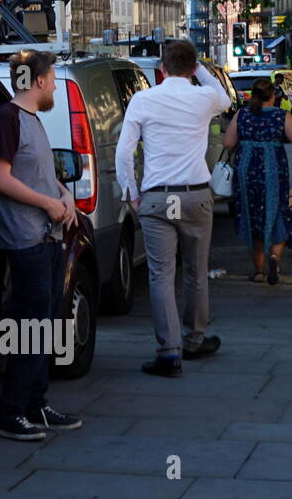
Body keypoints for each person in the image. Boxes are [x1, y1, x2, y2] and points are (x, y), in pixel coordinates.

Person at [116, 39, 230, 377]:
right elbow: (223, 97)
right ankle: (194, 339)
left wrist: (131, 192)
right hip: (194, 196)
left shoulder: (143, 99)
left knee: (161, 275)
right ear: (193, 68)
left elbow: (125, 152)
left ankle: (168, 352)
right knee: (196, 271)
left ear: (161, 69)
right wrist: (203, 71)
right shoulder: (204, 96)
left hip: (158, 198)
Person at [0, 49, 83, 441]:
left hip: (47, 238)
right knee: (31, 329)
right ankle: (10, 414)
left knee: (46, 326)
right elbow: (1, 179)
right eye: (54, 77)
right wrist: (48, 204)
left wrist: (64, 195)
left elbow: (41, 175)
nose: (55, 83)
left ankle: (35, 404)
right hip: (26, 241)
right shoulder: (6, 120)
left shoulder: (32, 121)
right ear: (38, 80)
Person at [224, 78, 292, 283]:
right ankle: (274, 257)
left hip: (247, 171)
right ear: (273, 96)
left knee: (253, 217)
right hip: (274, 170)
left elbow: (228, 143)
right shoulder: (282, 115)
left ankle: (259, 271)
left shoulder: (242, 114)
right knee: (279, 211)